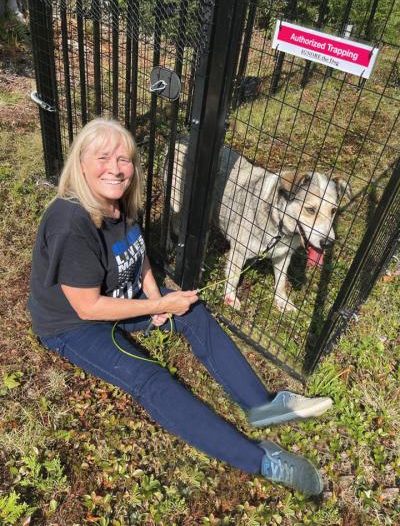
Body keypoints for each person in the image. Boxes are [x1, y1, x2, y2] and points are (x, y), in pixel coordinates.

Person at [28, 118, 332, 496]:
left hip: (121, 296)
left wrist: (157, 298)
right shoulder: (70, 222)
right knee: (150, 381)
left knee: (192, 310)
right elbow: (88, 308)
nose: (116, 167)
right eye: (103, 156)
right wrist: (155, 303)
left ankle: (261, 404)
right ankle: (262, 461)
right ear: (80, 162)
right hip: (73, 325)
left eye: (124, 159)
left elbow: (136, 254)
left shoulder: (117, 200)